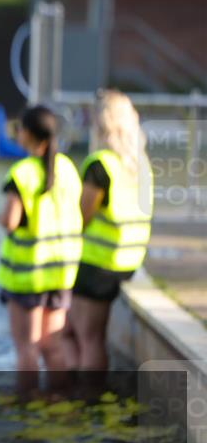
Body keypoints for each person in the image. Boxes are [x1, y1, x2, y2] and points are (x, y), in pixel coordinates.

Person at [62, 90, 153, 370]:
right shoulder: (141, 164)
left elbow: (82, 215)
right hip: (129, 260)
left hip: (99, 264)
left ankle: (86, 398)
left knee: (82, 336)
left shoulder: (100, 165)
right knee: (90, 336)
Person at [0, 106, 83, 375]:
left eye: (19, 128)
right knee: (52, 347)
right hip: (61, 273)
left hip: (28, 276)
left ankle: (25, 409)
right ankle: (58, 403)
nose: (17, 133)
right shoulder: (68, 168)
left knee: (27, 348)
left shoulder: (22, 173)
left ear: (29, 134)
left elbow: (11, 220)